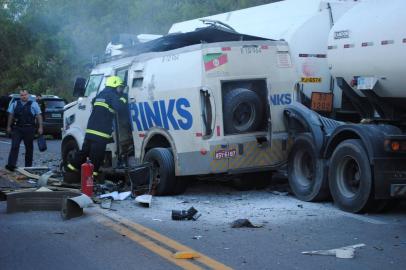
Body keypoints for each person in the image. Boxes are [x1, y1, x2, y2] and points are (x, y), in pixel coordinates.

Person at [65, 76, 127, 182]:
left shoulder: (101, 94)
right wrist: (123, 97)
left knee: (83, 153)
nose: (120, 90)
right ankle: (93, 179)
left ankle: (70, 171)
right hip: (101, 133)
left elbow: (93, 102)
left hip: (90, 131)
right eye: (120, 87)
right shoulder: (112, 95)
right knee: (96, 157)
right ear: (114, 85)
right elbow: (119, 107)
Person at [5, 90, 43, 171]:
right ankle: (11, 165)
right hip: (17, 128)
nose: (24, 96)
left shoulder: (34, 104)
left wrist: (40, 127)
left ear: (28, 95)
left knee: (29, 148)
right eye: (22, 95)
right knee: (14, 146)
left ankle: (28, 167)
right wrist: (8, 126)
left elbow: (39, 116)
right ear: (20, 96)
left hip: (29, 129)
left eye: (25, 95)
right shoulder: (15, 104)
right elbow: (10, 115)